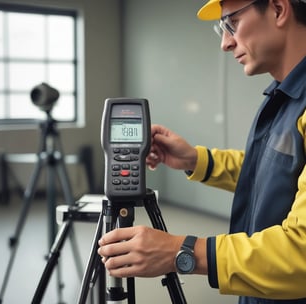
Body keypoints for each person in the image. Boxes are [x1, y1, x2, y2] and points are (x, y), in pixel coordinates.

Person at [98, 0, 306, 303]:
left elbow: (300, 255)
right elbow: (275, 172)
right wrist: (196, 160)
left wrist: (181, 251)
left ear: (277, 8)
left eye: (232, 23)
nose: (225, 43)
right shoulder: (283, 96)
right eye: (221, 29)